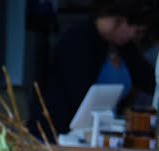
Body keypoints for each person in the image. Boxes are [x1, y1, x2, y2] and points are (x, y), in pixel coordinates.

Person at [31, 0, 156, 138]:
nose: (135, 36)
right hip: (61, 133)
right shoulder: (77, 41)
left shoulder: (124, 48)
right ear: (121, 21)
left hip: (101, 132)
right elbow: (76, 98)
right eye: (137, 31)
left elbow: (149, 79)